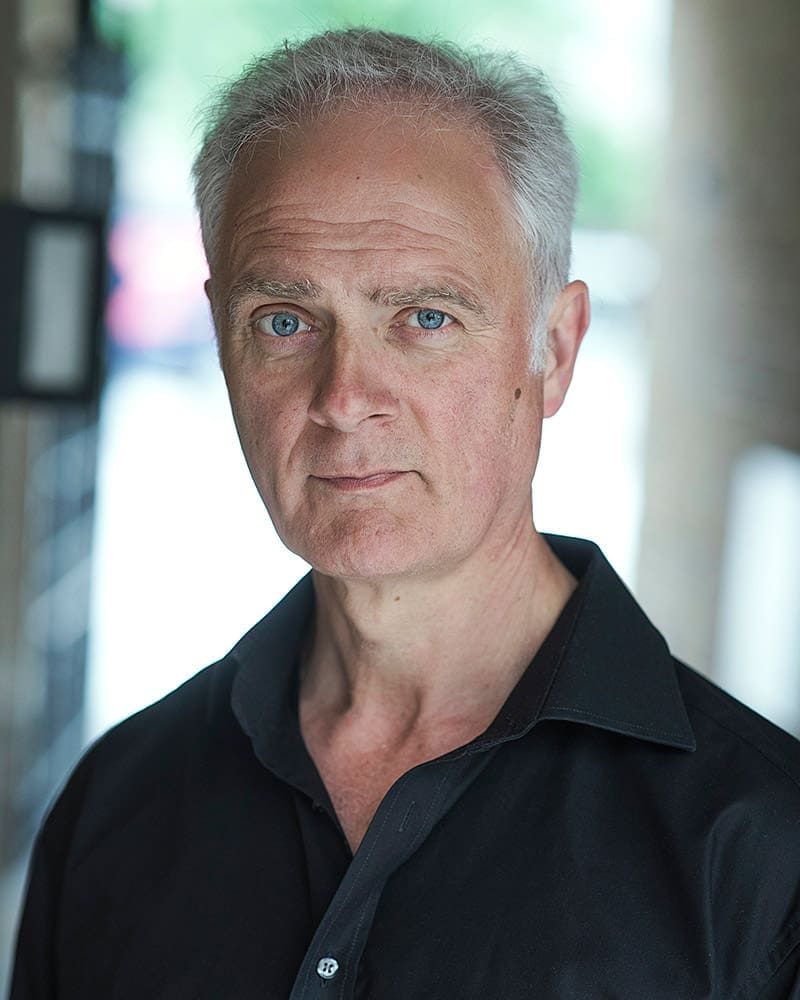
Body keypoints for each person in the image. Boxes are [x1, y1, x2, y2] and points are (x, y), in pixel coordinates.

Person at [10, 28, 800, 1000]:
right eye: (284, 321)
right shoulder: (115, 803)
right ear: (222, 343)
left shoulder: (764, 853)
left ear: (552, 349)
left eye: (423, 318)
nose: (344, 396)